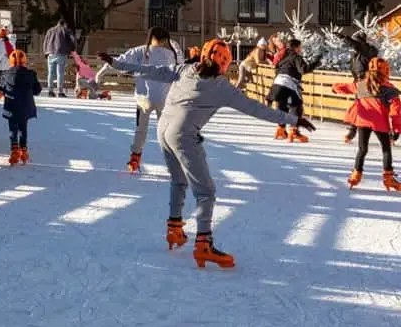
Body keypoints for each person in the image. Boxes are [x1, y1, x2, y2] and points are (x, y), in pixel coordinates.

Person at [99, 39, 312, 269]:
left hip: (162, 132)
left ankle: (174, 228)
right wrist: (293, 119)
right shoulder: (221, 87)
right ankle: (203, 244)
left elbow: (151, 71)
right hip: (183, 137)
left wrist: (117, 63)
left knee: (178, 180)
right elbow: (256, 109)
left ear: (202, 56)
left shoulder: (184, 69)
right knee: (206, 192)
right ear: (225, 64)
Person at [108, 28, 180, 173]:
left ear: (151, 37)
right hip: (164, 99)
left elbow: (120, 61)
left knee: (141, 130)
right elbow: (180, 70)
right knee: (166, 132)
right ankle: (173, 163)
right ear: (166, 39)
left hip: (143, 99)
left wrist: (101, 71)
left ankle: (135, 158)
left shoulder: (140, 51)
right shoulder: (171, 54)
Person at [333, 58, 401, 191]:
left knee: (362, 149)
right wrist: (397, 129)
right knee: (386, 149)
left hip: (363, 121)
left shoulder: (361, 84)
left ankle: (356, 174)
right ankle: (388, 177)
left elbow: (346, 87)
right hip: (380, 123)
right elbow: (396, 111)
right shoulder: (389, 88)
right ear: (386, 70)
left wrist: (335, 88)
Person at [267, 38, 322, 142]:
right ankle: (294, 132)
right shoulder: (295, 56)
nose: (301, 49)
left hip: (277, 83)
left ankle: (281, 129)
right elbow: (303, 69)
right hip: (289, 83)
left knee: (282, 106)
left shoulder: (283, 56)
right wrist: (316, 62)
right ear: (296, 47)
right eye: (300, 47)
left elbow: (276, 68)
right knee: (295, 107)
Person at [0, 49, 41, 165]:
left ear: (10, 61)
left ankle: (14, 150)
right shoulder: (31, 74)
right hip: (25, 106)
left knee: (13, 128)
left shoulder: (5, 74)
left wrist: (0, 93)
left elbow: (1, 89)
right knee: (23, 128)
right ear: (24, 61)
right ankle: (24, 150)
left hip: (11, 106)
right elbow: (37, 90)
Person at [337, 30, 380, 143]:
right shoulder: (359, 53)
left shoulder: (366, 50)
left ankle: (353, 131)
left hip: (366, 82)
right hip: (359, 81)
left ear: (360, 41)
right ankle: (353, 131)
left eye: (355, 41)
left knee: (365, 106)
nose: (353, 45)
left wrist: (344, 37)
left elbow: (356, 45)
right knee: (361, 106)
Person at [42, 18, 76, 98]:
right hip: (61, 53)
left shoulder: (50, 30)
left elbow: (45, 41)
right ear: (64, 24)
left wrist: (45, 52)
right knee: (60, 73)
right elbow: (72, 40)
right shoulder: (66, 30)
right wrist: (71, 50)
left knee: (50, 73)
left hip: (50, 53)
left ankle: (50, 91)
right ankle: (60, 91)